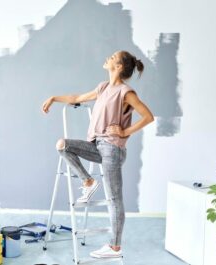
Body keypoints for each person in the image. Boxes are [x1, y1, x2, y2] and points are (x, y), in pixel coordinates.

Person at [41, 50, 154, 259]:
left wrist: (124, 132)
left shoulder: (126, 92)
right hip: (97, 145)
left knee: (114, 199)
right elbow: (75, 98)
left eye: (113, 57)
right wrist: (53, 98)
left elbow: (148, 117)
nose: (108, 58)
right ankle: (89, 182)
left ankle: (114, 247)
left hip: (113, 149)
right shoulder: (103, 87)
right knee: (62, 145)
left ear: (119, 66)